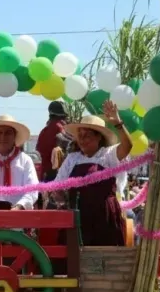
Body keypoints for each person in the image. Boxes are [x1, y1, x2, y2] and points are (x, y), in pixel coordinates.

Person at [55, 102, 132, 246]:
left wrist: (118, 123)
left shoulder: (108, 155)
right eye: (80, 136)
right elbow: (57, 186)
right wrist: (60, 198)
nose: (82, 140)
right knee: (75, 262)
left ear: (99, 138)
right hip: (78, 220)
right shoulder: (72, 158)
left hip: (105, 219)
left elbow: (127, 146)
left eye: (88, 136)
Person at [36, 101, 68, 182]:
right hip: (59, 174)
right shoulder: (61, 128)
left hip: (46, 173)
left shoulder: (44, 130)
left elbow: (39, 149)